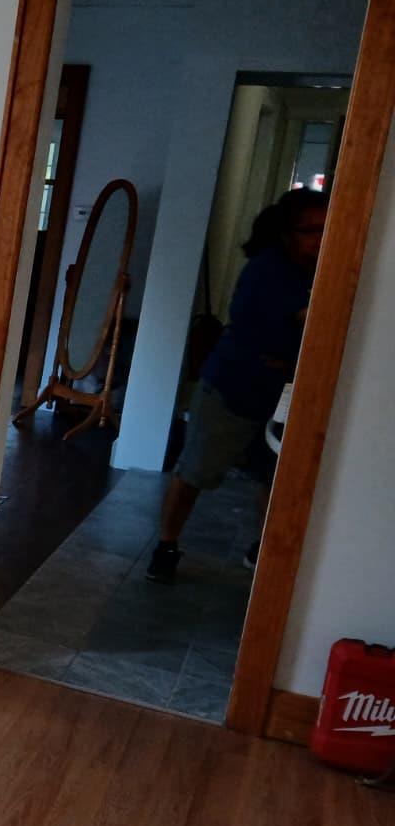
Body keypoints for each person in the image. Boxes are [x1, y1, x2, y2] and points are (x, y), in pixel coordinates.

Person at [146, 188, 328, 583]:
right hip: (231, 389)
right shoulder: (267, 270)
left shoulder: (320, 270)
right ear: (286, 233)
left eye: (324, 230)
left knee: (275, 476)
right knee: (195, 470)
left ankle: (262, 550)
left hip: (280, 394)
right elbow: (298, 323)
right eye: (309, 230)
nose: (318, 238)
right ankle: (166, 545)